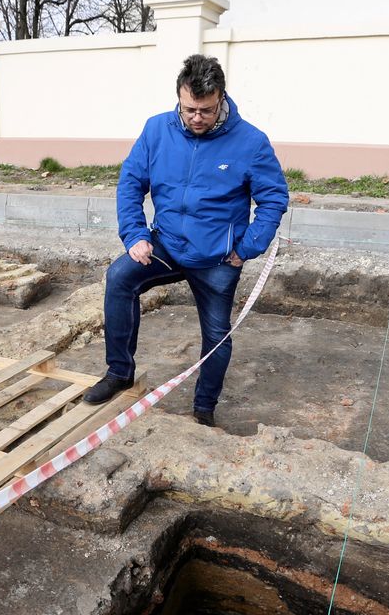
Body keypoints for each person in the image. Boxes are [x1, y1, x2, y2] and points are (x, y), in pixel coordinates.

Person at [83, 55, 288, 426]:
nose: (196, 118)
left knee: (217, 335)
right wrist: (134, 234)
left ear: (221, 98)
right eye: (189, 108)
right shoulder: (156, 130)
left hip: (217, 259)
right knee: (118, 278)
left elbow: (274, 198)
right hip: (167, 245)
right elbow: (131, 182)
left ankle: (204, 408)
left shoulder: (251, 142)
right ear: (179, 98)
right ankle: (118, 373)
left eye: (206, 111)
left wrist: (247, 248)